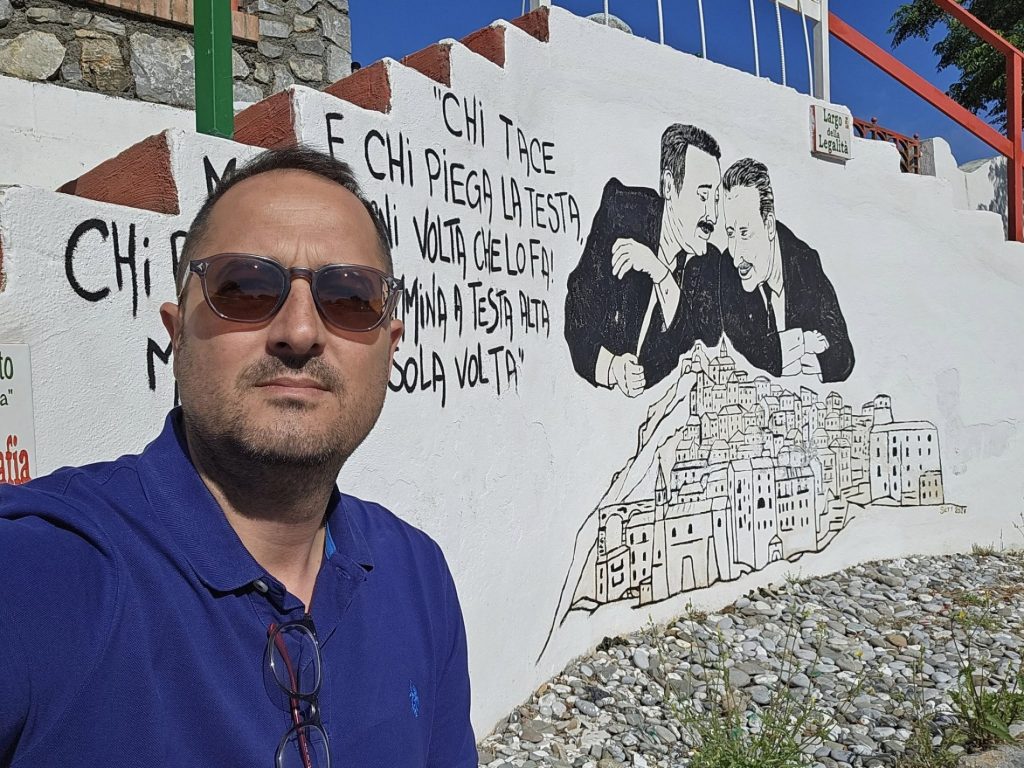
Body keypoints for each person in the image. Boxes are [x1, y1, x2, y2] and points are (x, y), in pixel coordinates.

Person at [0, 148, 477, 767]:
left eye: (349, 296)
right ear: (176, 334)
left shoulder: (417, 575)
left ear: (389, 349)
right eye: (245, 287)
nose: (299, 332)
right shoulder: (47, 572)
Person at [564, 124, 725, 397]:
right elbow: (579, 309)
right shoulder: (622, 213)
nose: (712, 214)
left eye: (717, 199)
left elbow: (699, 339)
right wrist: (613, 367)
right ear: (670, 187)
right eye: (702, 196)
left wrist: (659, 272)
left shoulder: (709, 264)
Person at [719, 157, 854, 383]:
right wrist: (803, 342)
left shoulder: (804, 264)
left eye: (745, 233)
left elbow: (842, 354)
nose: (736, 253)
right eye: (730, 233)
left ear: (769, 225)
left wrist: (816, 361)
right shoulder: (727, 268)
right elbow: (749, 347)